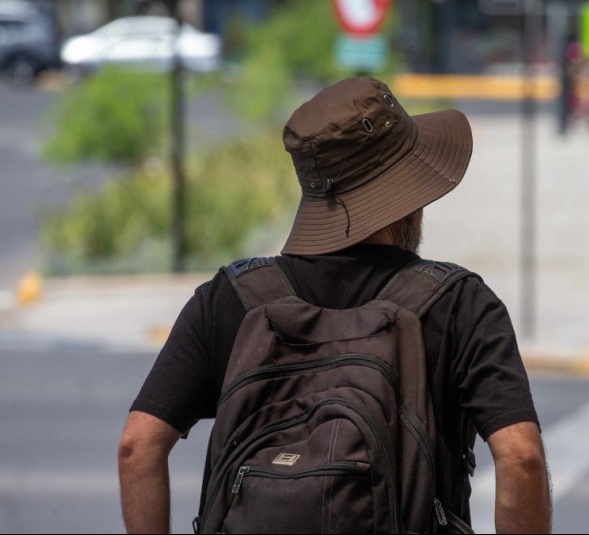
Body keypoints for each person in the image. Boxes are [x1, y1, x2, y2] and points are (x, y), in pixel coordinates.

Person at [118, 77, 552, 534]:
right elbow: (521, 457)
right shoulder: (459, 303)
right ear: (406, 196)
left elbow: (137, 445)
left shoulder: (232, 298)